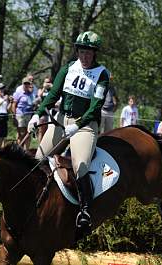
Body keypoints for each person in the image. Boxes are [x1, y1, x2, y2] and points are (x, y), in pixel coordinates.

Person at [28, 31, 109, 236]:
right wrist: (37, 115)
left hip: (86, 124)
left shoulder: (102, 74)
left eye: (89, 53)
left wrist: (79, 124)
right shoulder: (68, 68)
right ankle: (35, 202)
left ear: (94, 53)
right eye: (82, 52)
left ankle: (85, 211)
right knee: (38, 159)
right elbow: (53, 94)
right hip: (61, 120)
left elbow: (96, 106)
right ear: (78, 51)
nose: (85, 56)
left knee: (79, 165)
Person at [12, 77, 35, 149]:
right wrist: (14, 115)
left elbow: (33, 103)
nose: (26, 85)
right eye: (25, 83)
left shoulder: (31, 94)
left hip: (29, 115)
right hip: (20, 115)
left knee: (28, 133)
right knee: (21, 133)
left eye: (28, 83)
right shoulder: (18, 93)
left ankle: (26, 150)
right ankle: (19, 149)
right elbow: (14, 105)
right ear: (22, 84)